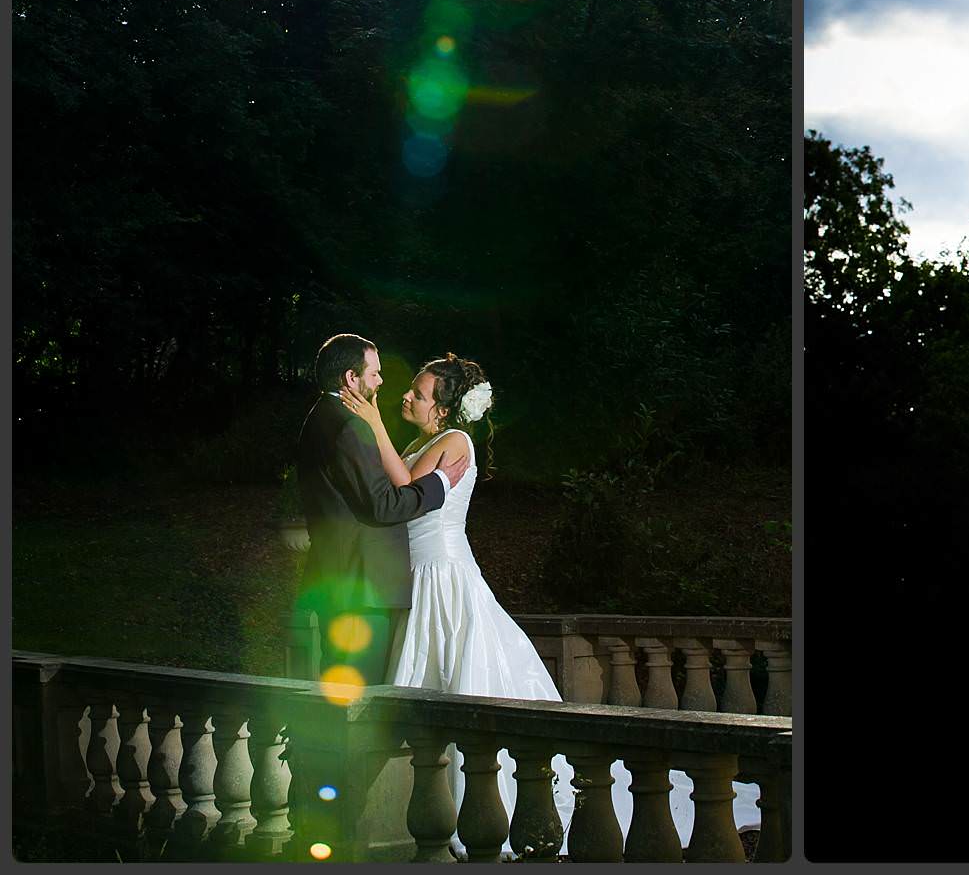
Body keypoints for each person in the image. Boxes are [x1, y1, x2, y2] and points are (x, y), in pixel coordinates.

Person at [339, 352, 763, 856]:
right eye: (410, 387)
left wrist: (372, 421)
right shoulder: (423, 440)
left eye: (419, 392)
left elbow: (410, 489)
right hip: (416, 573)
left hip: (444, 573)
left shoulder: (456, 442)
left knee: (460, 675)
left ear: (446, 410)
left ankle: (482, 812)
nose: (406, 395)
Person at [293, 333, 452, 687]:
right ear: (352, 378)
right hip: (360, 587)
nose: (381, 381)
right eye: (375, 373)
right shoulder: (349, 425)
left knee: (342, 686)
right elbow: (382, 505)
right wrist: (437, 484)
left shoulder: (321, 416)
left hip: (342, 578)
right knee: (357, 696)